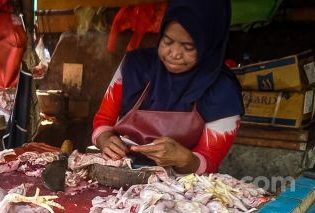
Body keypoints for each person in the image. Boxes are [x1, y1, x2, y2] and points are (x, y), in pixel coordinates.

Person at [92, 0, 243, 174]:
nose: (174, 54)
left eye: (188, 47)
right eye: (167, 41)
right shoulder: (135, 65)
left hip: (184, 190)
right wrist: (105, 139)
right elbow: (103, 121)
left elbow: (210, 161)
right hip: (122, 174)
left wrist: (185, 159)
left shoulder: (223, 89)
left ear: (209, 46)